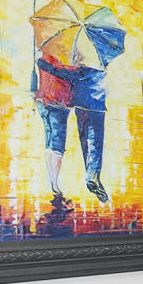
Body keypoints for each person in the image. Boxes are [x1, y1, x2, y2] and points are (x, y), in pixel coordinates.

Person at [37, 53, 108, 207]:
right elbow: (69, 74)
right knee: (63, 144)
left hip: (47, 100)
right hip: (68, 102)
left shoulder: (46, 55)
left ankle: (54, 184)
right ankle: (59, 185)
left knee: (51, 142)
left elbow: (59, 72)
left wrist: (43, 65)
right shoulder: (94, 62)